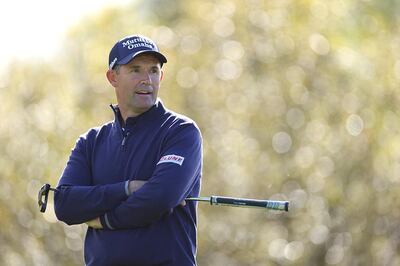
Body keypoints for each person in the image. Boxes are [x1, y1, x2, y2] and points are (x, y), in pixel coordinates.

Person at [54, 34, 203, 266]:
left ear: (161, 76)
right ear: (113, 77)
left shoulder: (180, 131)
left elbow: (160, 198)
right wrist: (127, 189)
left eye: (153, 71)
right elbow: (65, 204)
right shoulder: (91, 141)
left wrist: (104, 220)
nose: (147, 80)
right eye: (135, 70)